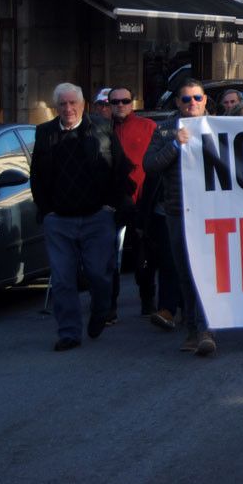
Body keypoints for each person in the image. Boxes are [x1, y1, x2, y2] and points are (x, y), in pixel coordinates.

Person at [31, 83, 133, 351]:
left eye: (72, 103)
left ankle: (101, 311)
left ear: (82, 105)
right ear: (56, 108)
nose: (68, 109)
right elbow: (36, 178)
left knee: (99, 274)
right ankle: (69, 333)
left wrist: (112, 206)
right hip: (59, 220)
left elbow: (120, 169)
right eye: (62, 104)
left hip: (97, 217)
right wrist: (47, 210)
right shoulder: (45, 133)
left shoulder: (101, 128)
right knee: (63, 280)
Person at [142, 80, 217, 357]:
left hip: (212, 211)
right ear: (177, 103)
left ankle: (206, 329)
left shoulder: (219, 126)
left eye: (197, 97)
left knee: (208, 272)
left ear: (206, 100)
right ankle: (192, 329)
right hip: (178, 211)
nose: (192, 103)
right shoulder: (164, 130)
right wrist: (175, 144)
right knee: (185, 271)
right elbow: (149, 165)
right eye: (186, 99)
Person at [107, 86, 157, 320]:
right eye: (115, 102)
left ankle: (147, 300)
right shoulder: (102, 130)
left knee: (143, 256)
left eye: (125, 101)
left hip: (141, 201)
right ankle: (110, 305)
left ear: (132, 103)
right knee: (109, 258)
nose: (120, 105)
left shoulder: (147, 127)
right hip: (113, 203)